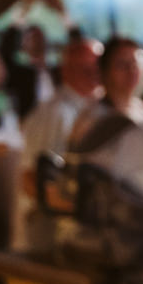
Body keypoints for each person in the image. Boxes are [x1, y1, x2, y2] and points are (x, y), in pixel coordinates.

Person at [14, 31, 102, 251]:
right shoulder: (57, 113)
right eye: (85, 70)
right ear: (66, 71)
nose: (93, 76)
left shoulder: (92, 110)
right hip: (51, 235)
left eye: (97, 69)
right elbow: (31, 179)